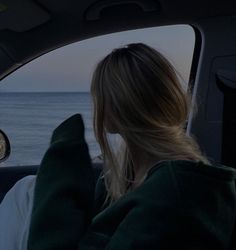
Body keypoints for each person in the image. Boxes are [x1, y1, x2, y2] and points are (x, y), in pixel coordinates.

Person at [20, 43, 236, 249]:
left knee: (24, 193)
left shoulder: (172, 190)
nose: (97, 106)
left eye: (99, 97)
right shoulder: (138, 175)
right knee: (26, 187)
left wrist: (57, 175)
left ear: (117, 105)